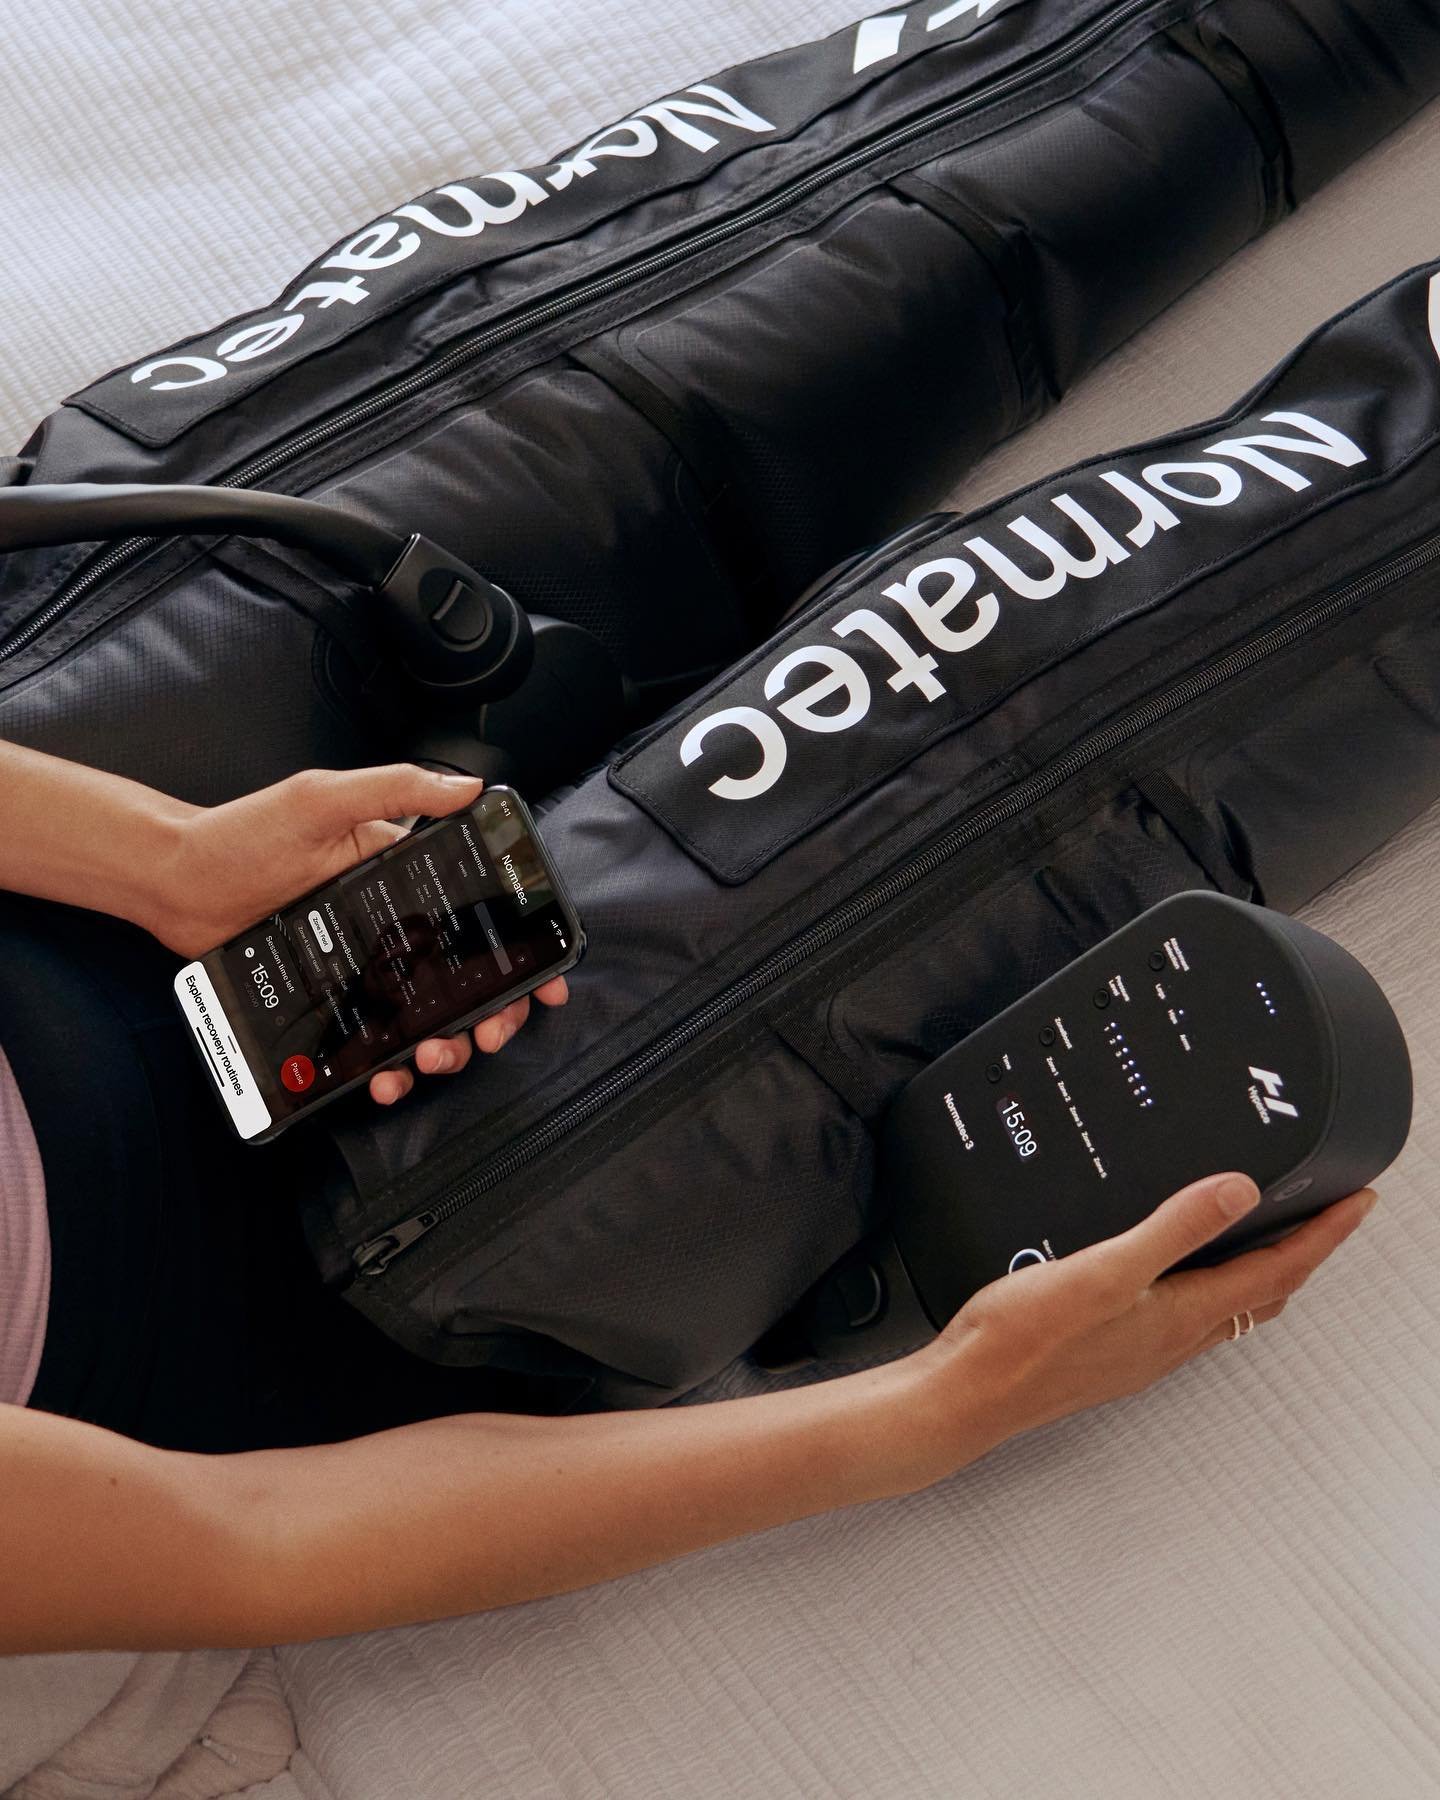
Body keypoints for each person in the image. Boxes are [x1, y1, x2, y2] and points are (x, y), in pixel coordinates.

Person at [0, 739, 1377, 1655]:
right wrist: (936, 1411)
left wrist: (159, 856)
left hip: (127, 906)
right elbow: (249, 1549)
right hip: (302, 1279)